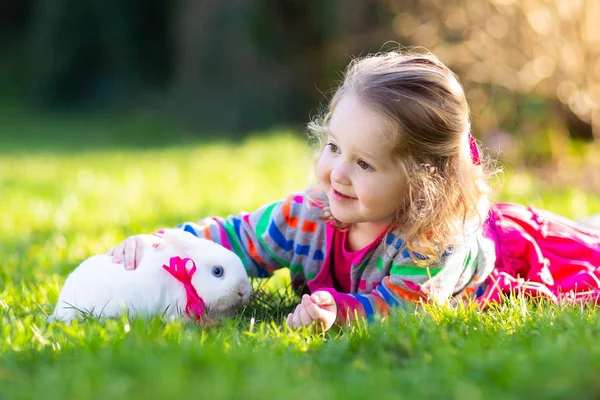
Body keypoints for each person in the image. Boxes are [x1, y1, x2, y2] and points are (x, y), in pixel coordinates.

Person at [107, 50, 600, 332]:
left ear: (422, 186)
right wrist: (166, 242)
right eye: (333, 147)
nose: (336, 173)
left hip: (503, 249)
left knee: (585, 249)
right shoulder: (307, 217)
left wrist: (339, 312)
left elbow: (405, 308)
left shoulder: (430, 242)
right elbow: (232, 239)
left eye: (364, 163)